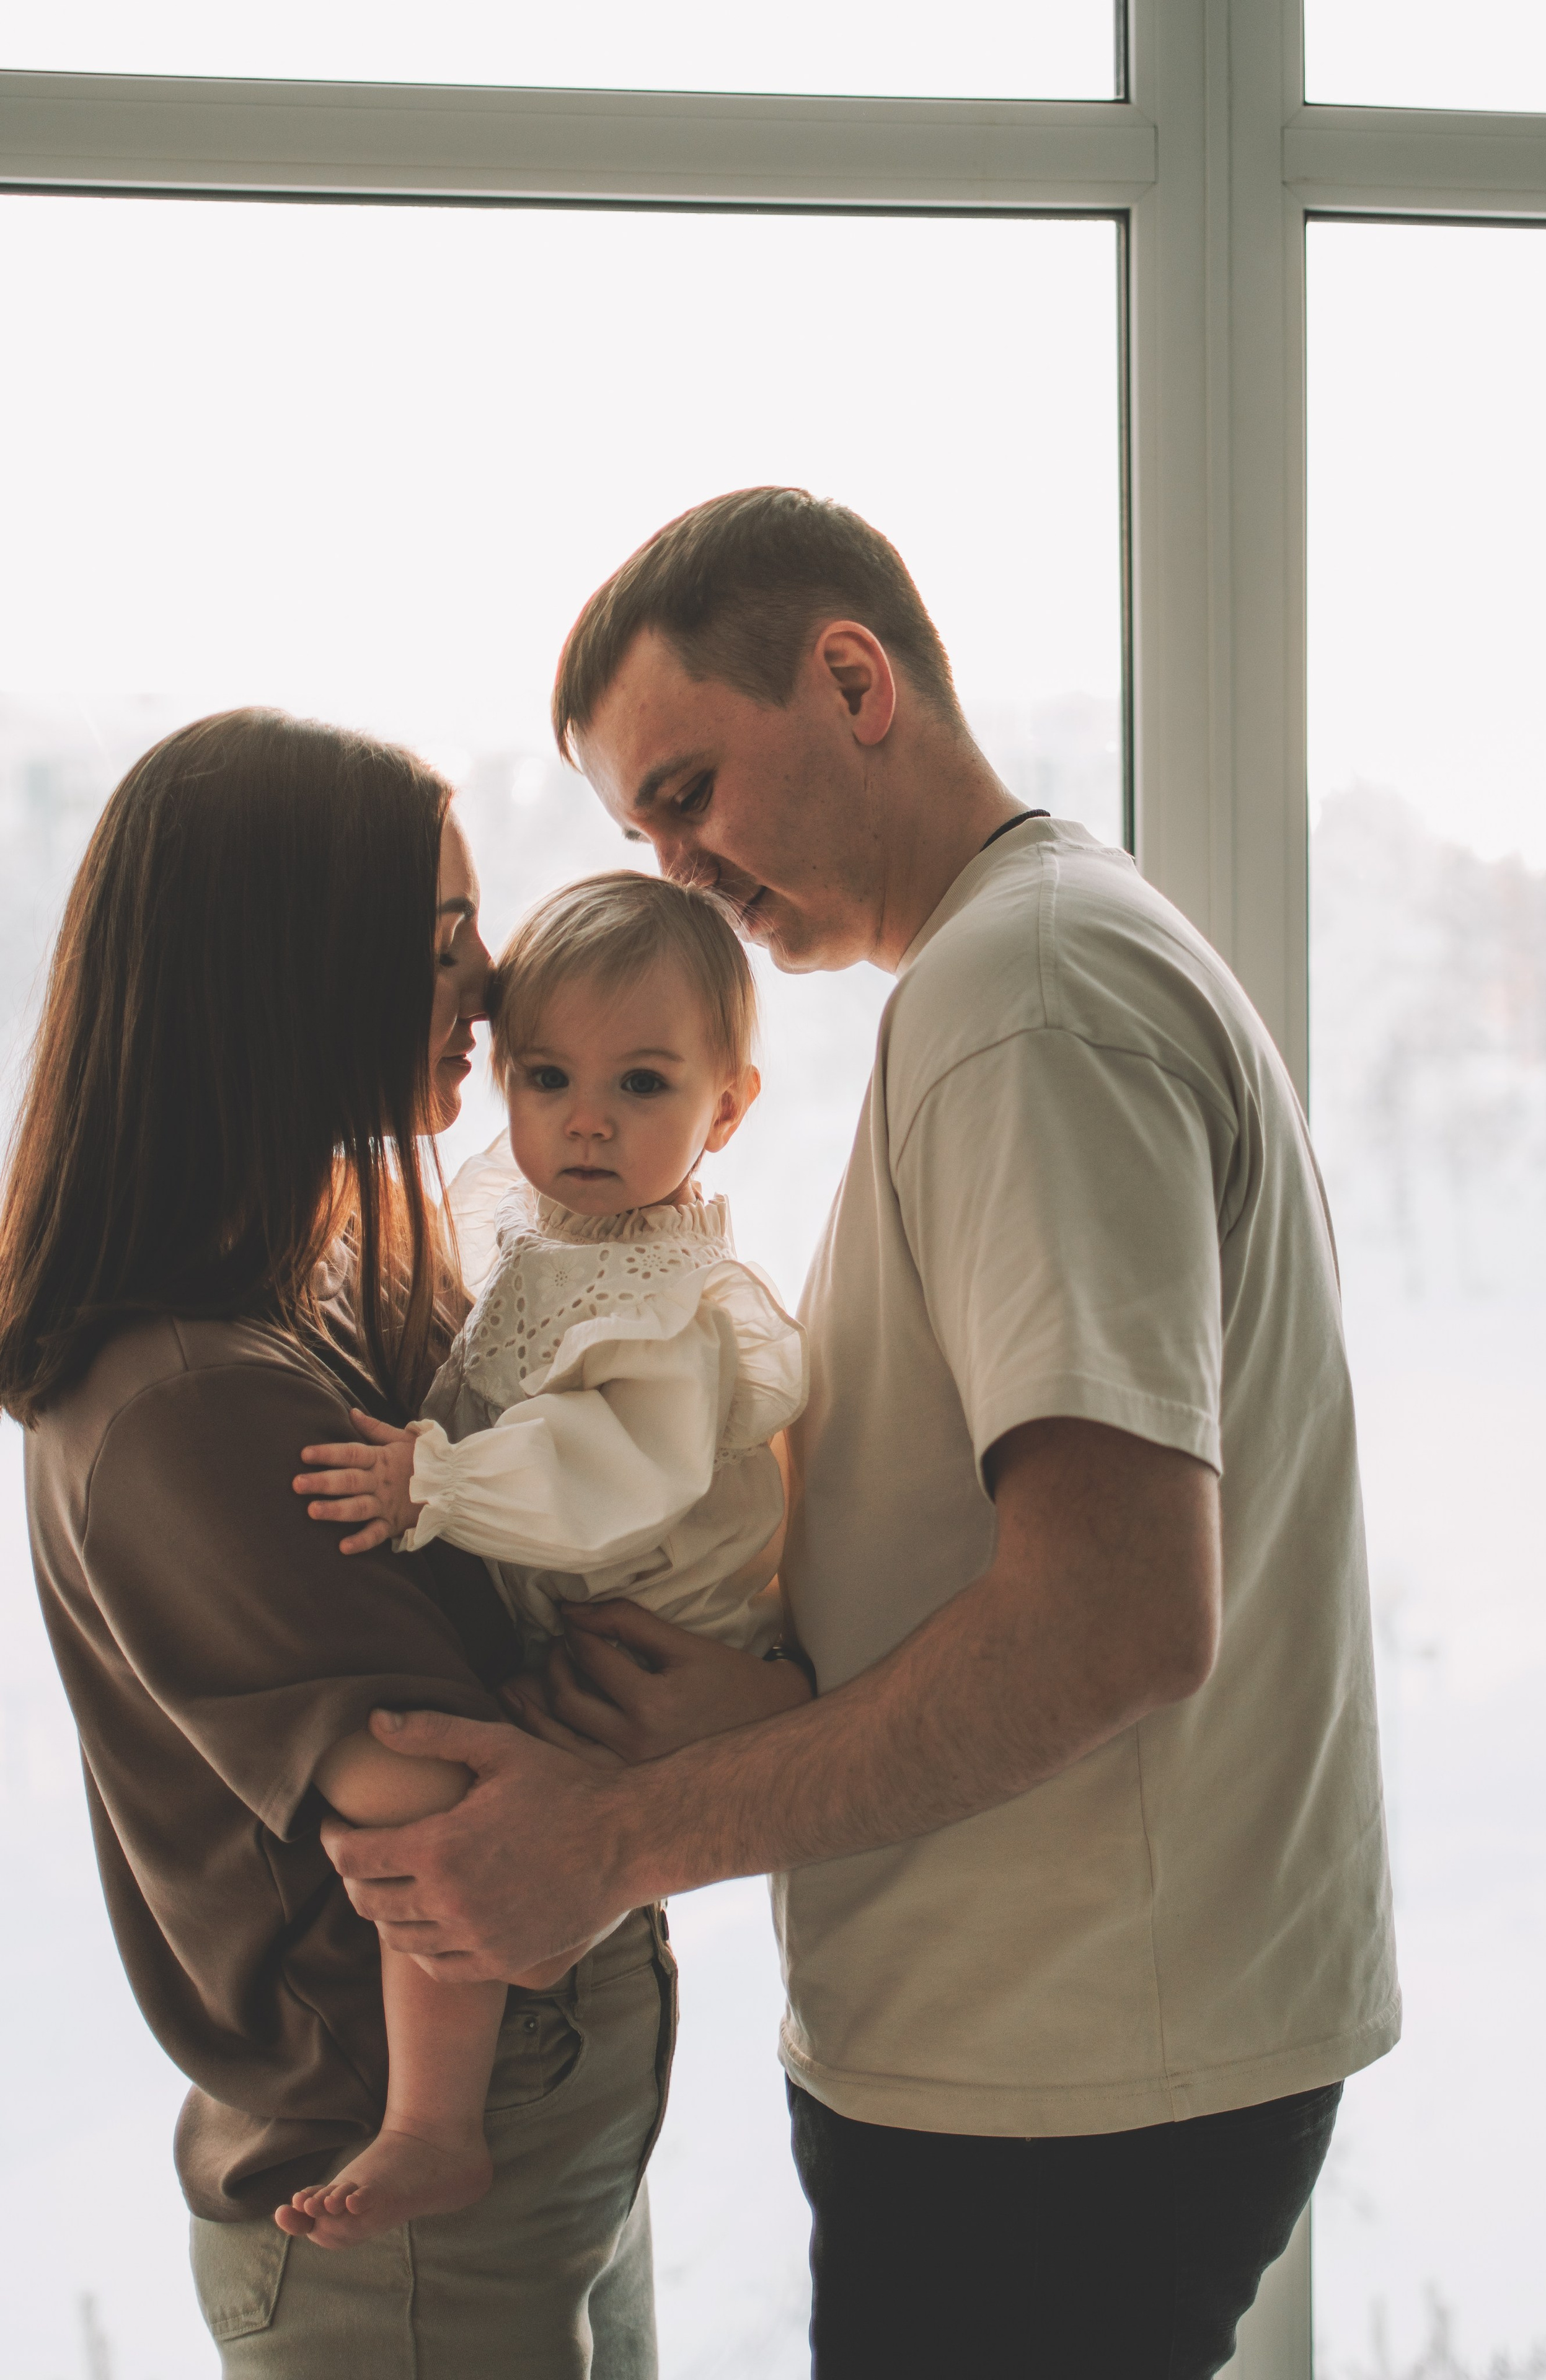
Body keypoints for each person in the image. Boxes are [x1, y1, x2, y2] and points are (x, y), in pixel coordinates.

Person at [323, 490, 1402, 2379]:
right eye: (638, 829)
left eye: (686, 790)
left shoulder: (1027, 1003)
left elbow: (1121, 1619)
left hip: (1064, 2084)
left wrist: (625, 1837)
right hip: (1073, 2054)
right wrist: (777, 1703)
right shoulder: (1040, 966)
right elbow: (1028, 1577)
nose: (675, 867)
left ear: (850, 678)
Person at [0, 709, 795, 2379]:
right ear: (291, 975)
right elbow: (459, 1833)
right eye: (444, 941)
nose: (496, 981)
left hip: (536, 2148)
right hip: (417, 2211)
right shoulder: (189, 1407)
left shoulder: (338, 1270)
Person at [280, 869, 809, 2247]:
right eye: (545, 1075)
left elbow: (609, 1480)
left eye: (642, 1086)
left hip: (654, 1633)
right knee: (442, 1810)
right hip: (572, 1615)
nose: (583, 1120)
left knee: (452, 1831)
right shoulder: (542, 1227)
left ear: (726, 1109)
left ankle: (432, 2126)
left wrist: (433, 1483)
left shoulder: (665, 1300)